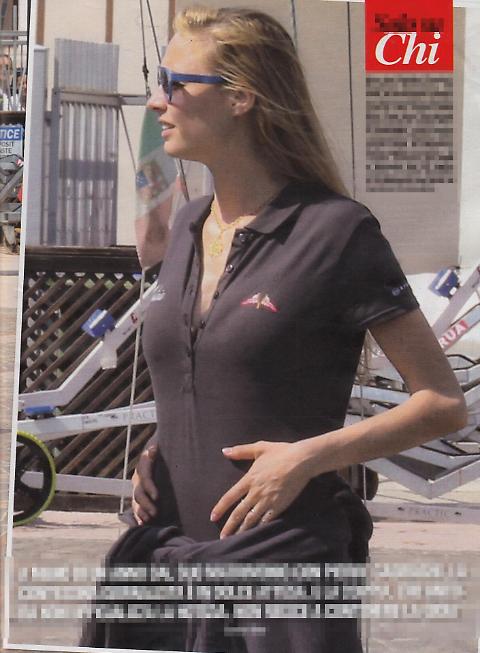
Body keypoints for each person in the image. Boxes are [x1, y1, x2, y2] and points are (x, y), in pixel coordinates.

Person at [81, 6, 467, 652]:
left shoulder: (337, 232)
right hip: (167, 571)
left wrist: (306, 457)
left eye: (176, 84)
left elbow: (443, 402)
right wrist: (164, 444)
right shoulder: (186, 227)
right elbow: (210, 375)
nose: (156, 101)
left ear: (241, 98)